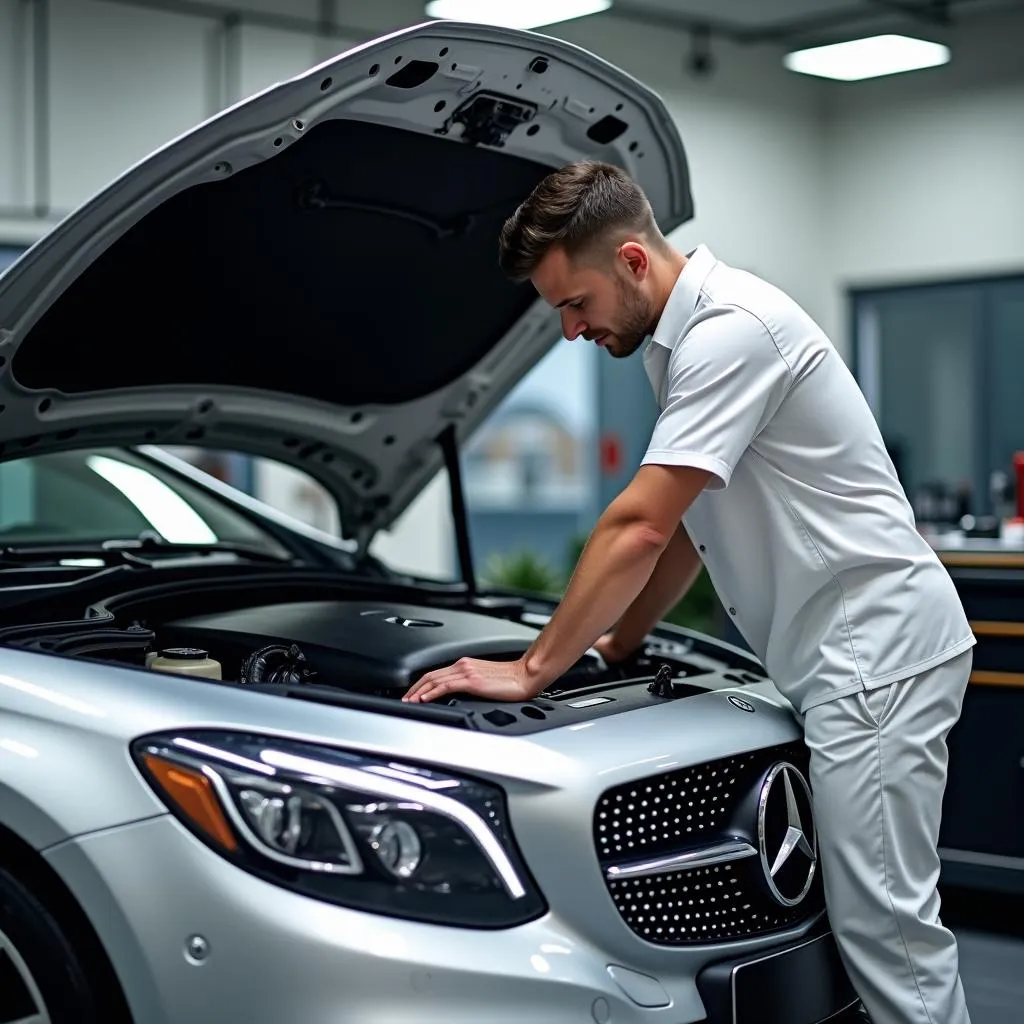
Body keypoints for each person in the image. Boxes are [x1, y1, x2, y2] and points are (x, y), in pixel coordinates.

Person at [403, 161, 975, 1024]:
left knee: (893, 939)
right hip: (852, 658)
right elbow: (685, 528)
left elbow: (637, 525)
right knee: (871, 926)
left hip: (875, 658)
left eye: (576, 303)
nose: (568, 331)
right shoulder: (678, 345)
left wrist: (532, 670)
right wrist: (621, 646)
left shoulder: (728, 333)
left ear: (633, 261)